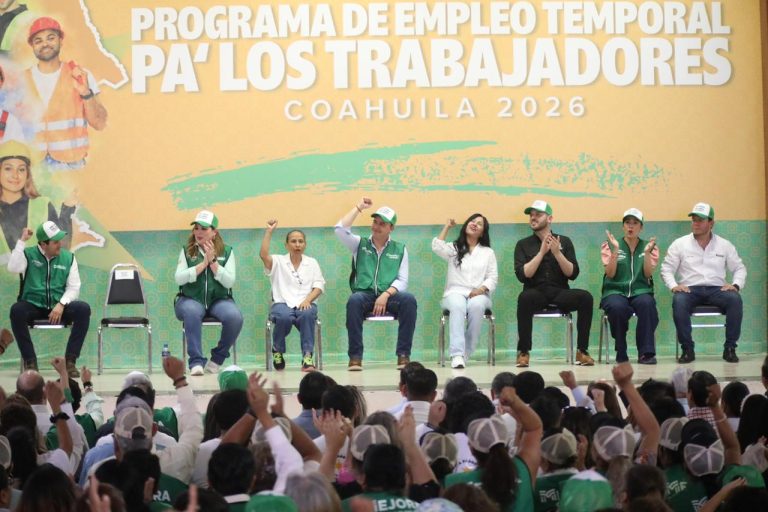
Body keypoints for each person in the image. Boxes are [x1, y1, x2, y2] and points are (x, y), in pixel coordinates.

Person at [334, 197, 417, 370]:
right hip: (365, 295)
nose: (376, 227)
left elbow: (402, 280)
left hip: (390, 296)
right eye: (375, 222)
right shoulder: (359, 244)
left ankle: (403, 355)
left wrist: (385, 295)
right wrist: (358, 208)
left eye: (382, 224)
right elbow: (339, 230)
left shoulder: (400, 249)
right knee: (354, 300)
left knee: (409, 300)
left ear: (391, 228)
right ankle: (355, 357)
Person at [660, 202, 746, 363]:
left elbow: (739, 268)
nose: (696, 223)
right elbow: (666, 269)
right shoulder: (680, 244)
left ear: (711, 223)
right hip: (689, 290)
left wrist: (735, 285)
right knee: (679, 301)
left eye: (700, 220)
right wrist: (674, 286)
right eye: (694, 220)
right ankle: (687, 349)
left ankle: (730, 348)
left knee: (735, 299)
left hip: (717, 290)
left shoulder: (724, 245)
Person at [513, 200, 594, 367]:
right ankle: (523, 352)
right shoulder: (522, 244)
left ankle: (582, 351)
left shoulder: (565, 241)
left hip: (559, 292)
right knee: (524, 298)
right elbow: (523, 275)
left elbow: (572, 274)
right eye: (531, 215)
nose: (533, 218)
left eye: (538, 214)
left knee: (586, 298)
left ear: (549, 218)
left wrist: (557, 253)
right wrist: (541, 253)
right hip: (536, 292)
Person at [24, 16, 107, 171]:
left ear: (61, 41)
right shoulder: (21, 81)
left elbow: (100, 123)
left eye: (51, 38)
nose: (45, 44)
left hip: (71, 164)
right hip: (32, 165)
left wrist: (86, 93)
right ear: (32, 46)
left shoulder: (81, 75)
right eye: (38, 40)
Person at [6, 221, 89, 375]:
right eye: (55, 242)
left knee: (83, 309)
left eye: (60, 240)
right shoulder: (28, 255)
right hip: (33, 306)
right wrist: (22, 241)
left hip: (59, 306)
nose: (60, 244)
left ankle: (70, 362)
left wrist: (61, 304)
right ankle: (30, 362)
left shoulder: (69, 258)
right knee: (16, 311)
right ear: (43, 244)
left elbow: (74, 287)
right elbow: (12, 267)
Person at [174, 210, 242, 376]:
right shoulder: (187, 250)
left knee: (234, 317)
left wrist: (213, 263)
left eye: (204, 229)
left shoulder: (227, 251)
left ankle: (216, 359)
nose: (198, 232)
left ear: (214, 232)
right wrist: (202, 264)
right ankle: (196, 362)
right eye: (196, 228)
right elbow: (179, 278)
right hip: (190, 299)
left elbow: (229, 282)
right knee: (191, 312)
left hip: (219, 300)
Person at [432, 214, 498, 369]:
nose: (474, 224)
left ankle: (466, 352)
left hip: (479, 293)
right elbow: (437, 247)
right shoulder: (454, 248)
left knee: (476, 306)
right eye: (472, 221)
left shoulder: (488, 252)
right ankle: (457, 354)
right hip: (454, 292)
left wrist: (480, 289)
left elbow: (493, 277)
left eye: (479, 224)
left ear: (482, 232)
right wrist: (447, 226)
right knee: (458, 305)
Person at [260, 219, 325, 372]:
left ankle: (307, 357)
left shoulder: (312, 262)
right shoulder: (278, 261)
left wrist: (308, 300)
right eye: (293, 241)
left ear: (305, 244)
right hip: (282, 303)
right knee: (283, 317)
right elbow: (263, 255)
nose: (297, 244)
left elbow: (319, 286)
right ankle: (277, 350)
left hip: (306, 302)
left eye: (301, 241)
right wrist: (269, 232)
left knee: (307, 314)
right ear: (286, 245)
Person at [600, 208, 660, 364]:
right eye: (627, 222)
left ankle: (646, 352)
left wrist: (647, 253)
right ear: (623, 226)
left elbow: (647, 274)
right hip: (615, 290)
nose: (630, 226)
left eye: (635, 223)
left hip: (640, 290)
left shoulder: (650, 246)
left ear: (641, 227)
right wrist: (615, 251)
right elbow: (610, 274)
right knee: (617, 307)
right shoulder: (610, 245)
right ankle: (621, 350)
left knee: (647, 304)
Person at [0, 140, 75, 256]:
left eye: (21, 169)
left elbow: (60, 248)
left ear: (27, 174)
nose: (15, 175)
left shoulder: (42, 206)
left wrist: (67, 210)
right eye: (8, 168)